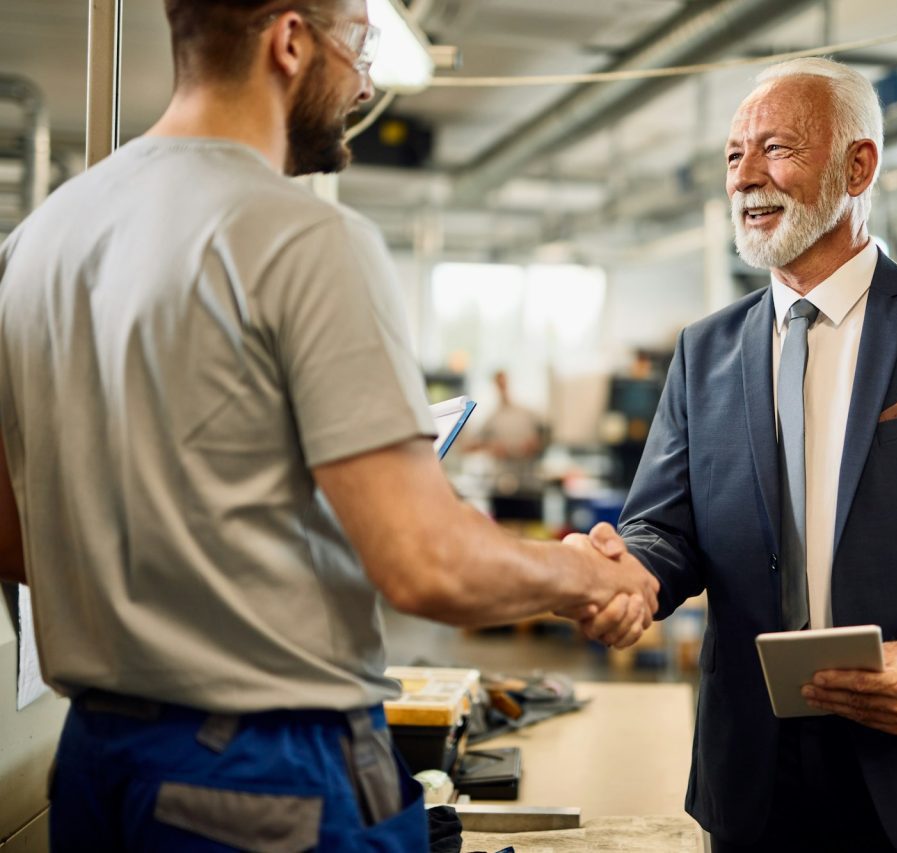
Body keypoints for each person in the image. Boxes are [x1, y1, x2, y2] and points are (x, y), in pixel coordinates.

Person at [0, 1, 655, 850]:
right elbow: (426, 564)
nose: (368, 79)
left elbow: (14, 541)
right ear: (291, 41)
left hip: (96, 763)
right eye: (360, 45)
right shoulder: (306, 238)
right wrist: (585, 576)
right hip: (264, 775)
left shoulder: (37, 242)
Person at [581, 57, 897, 851]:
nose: (747, 177)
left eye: (777, 149)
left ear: (860, 164)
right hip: (756, 778)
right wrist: (633, 579)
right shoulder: (705, 351)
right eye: (733, 155)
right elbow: (667, 528)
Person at [469, 370, 547, 521]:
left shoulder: (528, 413)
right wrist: (491, 448)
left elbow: (546, 438)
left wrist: (534, 445)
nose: (502, 386)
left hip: (528, 485)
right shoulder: (491, 417)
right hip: (501, 487)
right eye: (499, 383)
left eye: (504, 382)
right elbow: (471, 445)